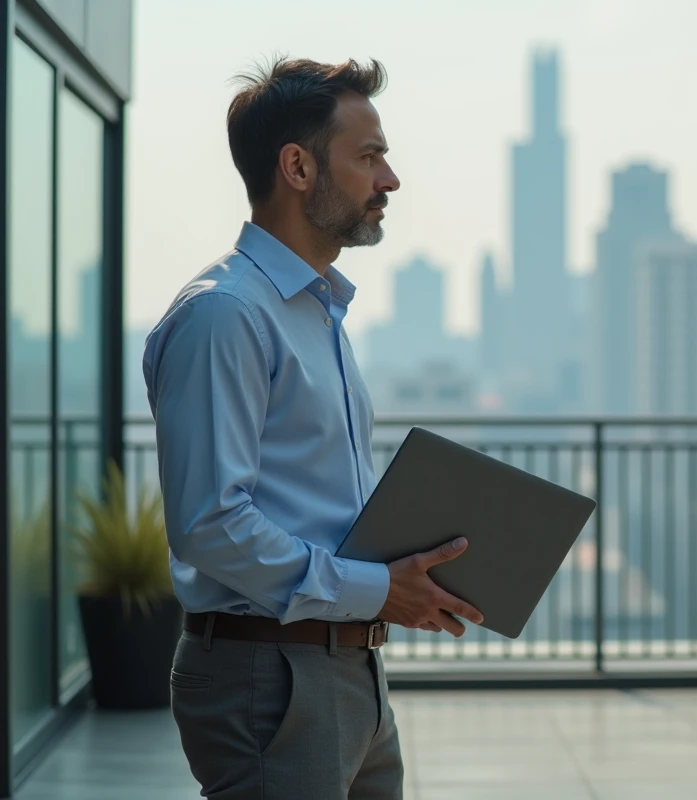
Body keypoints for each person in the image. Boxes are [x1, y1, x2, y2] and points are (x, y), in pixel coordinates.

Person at [142, 56, 483, 800]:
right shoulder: (225, 315)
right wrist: (373, 589)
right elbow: (210, 525)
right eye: (368, 157)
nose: (389, 180)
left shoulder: (315, 313)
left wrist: (402, 581)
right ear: (297, 167)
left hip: (347, 667)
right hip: (271, 676)